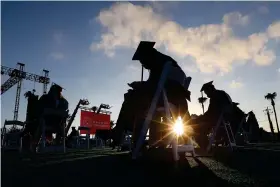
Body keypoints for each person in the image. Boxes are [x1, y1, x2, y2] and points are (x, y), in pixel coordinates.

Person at [113, 41, 191, 149]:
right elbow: (156, 85)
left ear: (147, 56)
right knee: (138, 101)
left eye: (143, 62)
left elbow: (155, 86)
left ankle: (121, 134)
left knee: (131, 98)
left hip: (164, 98)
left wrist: (139, 85)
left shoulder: (159, 64)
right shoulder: (167, 61)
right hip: (174, 100)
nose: (143, 65)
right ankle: (123, 133)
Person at [190, 81, 233, 150]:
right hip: (226, 119)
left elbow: (210, 113)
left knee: (197, 126)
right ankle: (206, 145)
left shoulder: (215, 96)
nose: (206, 95)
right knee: (200, 123)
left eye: (206, 92)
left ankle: (204, 146)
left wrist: (198, 119)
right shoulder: (222, 93)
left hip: (218, 119)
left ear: (210, 89)